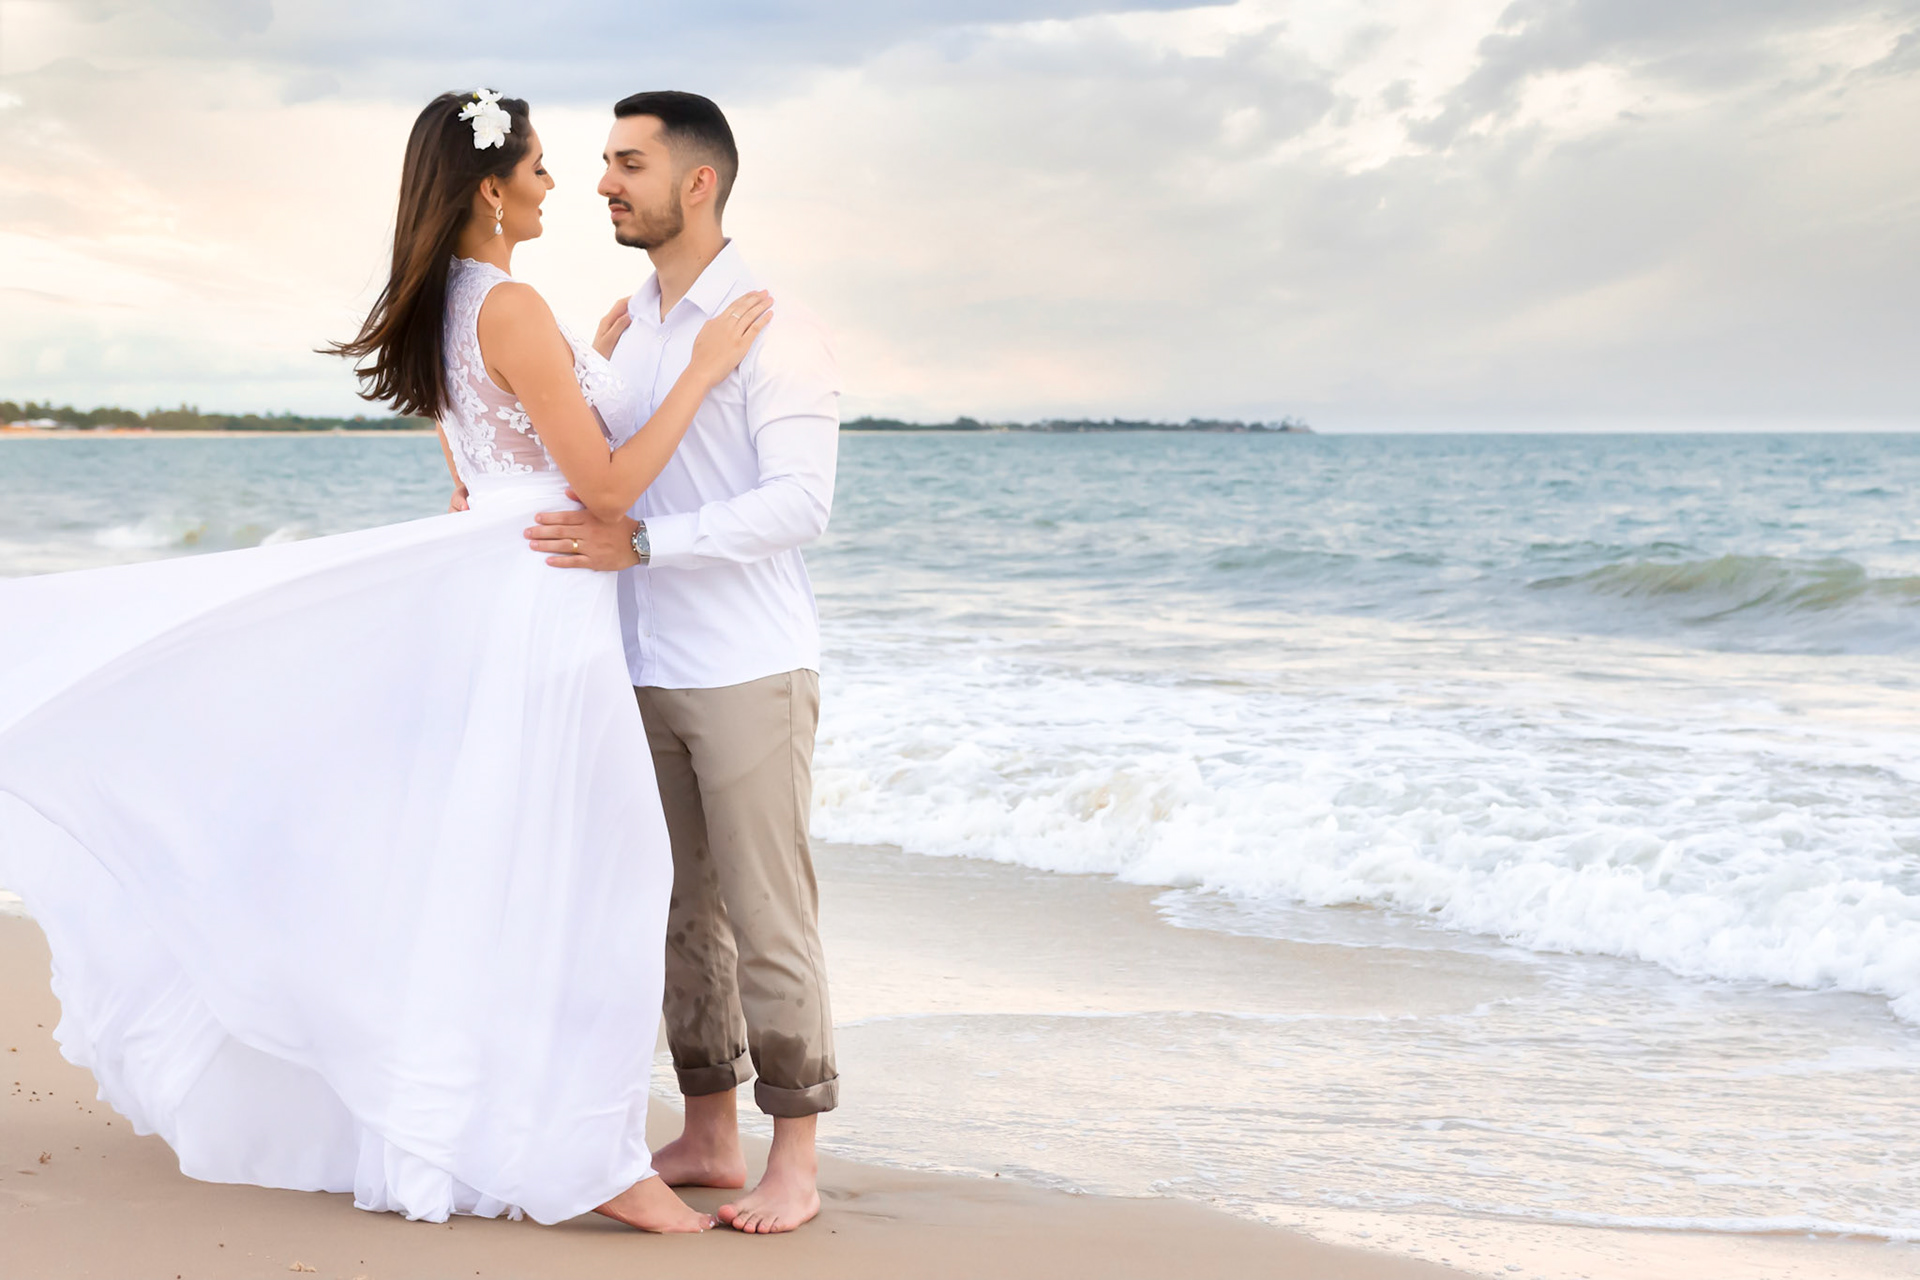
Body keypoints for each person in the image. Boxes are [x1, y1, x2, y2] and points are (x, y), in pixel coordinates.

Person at [0, 89, 771, 1233]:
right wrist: (701, 370)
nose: (562, 185)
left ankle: (553, 1131)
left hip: (520, 593)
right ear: (492, 187)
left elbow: (482, 467)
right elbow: (604, 489)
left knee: (534, 868)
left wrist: (595, 355)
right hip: (548, 605)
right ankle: (589, 1155)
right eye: (545, 167)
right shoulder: (506, 302)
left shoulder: (450, 303)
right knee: (583, 874)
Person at [519, 90, 841, 1235]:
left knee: (767, 914)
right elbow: (608, 461)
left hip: (747, 664)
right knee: (670, 912)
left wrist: (649, 541)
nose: (605, 181)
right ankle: (710, 1129)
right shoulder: (640, 325)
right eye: (603, 161)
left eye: (628, 163)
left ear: (697, 182)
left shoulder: (772, 324)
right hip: (637, 657)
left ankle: (792, 1154)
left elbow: (802, 502)